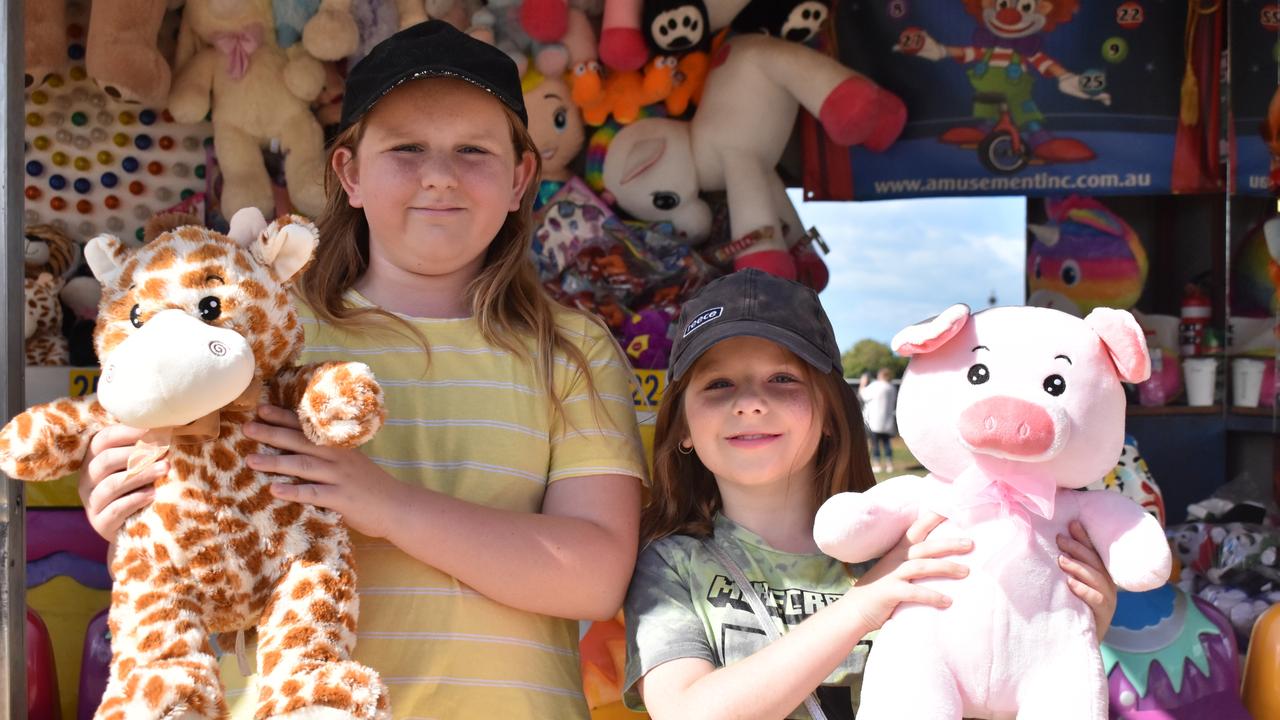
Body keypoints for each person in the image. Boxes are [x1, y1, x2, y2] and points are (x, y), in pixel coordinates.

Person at [76, 20, 646, 719]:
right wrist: (122, 500)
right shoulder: (248, 338)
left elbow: (593, 579)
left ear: (520, 178)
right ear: (349, 173)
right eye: (406, 149)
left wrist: (385, 504)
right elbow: (189, 538)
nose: (439, 173)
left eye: (473, 150)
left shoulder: (573, 351)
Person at [623, 269, 1118, 720]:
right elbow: (688, 711)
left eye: (782, 379)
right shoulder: (669, 564)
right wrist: (865, 604)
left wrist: (1072, 627)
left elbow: (994, 693)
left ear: (831, 414)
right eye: (718, 383)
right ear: (683, 426)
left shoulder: (923, 537)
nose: (750, 402)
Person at [859, 367, 897, 473]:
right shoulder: (892, 388)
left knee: (875, 444)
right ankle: (889, 465)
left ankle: (877, 465)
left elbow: (864, 396)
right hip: (887, 422)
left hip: (875, 421)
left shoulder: (876, 385)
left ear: (881, 375)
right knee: (887, 443)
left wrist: (863, 383)